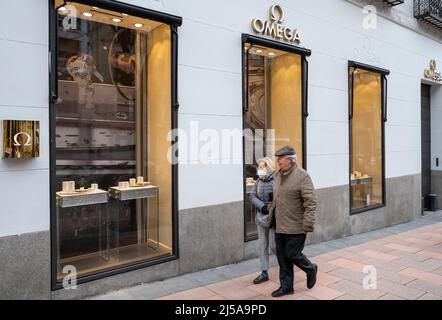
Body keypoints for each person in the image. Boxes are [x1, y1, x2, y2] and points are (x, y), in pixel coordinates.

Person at [267, 145, 318, 298]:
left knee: (292, 254)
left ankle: (310, 268)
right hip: (279, 225)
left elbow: (311, 202)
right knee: (282, 257)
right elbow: (275, 198)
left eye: (280, 159)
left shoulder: (302, 176)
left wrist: (308, 224)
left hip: (296, 226)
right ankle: (286, 287)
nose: (278, 162)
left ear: (289, 160)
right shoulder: (277, 176)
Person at [249, 157, 276, 284]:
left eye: (262, 167)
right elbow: (252, 196)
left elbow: (279, 197)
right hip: (261, 217)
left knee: (273, 245)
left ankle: (286, 264)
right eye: (259, 167)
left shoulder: (276, 180)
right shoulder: (258, 181)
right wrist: (262, 206)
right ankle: (264, 272)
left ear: (269, 167)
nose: (260, 170)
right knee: (262, 245)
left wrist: (270, 208)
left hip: (273, 218)